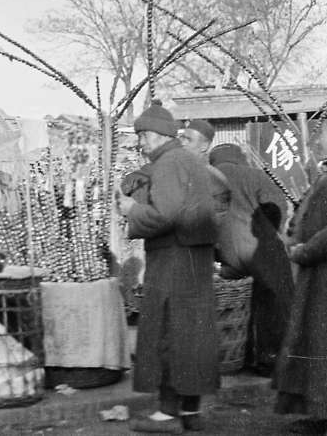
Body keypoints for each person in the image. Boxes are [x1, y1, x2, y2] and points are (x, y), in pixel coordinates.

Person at [117, 102, 219, 433]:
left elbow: (165, 215)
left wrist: (132, 209)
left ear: (159, 135)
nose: (140, 143)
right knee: (191, 335)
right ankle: (190, 411)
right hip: (194, 258)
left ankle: (167, 414)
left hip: (173, 258)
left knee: (169, 332)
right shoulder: (189, 160)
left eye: (143, 136)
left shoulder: (168, 162)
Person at [274, 115, 327, 435]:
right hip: (325, 274)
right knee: (320, 343)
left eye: (323, 136)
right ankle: (325, 412)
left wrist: (303, 251)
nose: (318, 142)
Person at [209, 143, 293, 376]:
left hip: (228, 255)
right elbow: (278, 206)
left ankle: (241, 356)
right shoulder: (255, 175)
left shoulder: (208, 179)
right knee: (275, 302)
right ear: (240, 157)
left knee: (238, 304)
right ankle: (270, 361)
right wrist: (272, 233)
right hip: (261, 250)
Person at [178, 119, 231, 228]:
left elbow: (218, 221)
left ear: (204, 146)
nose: (182, 143)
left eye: (189, 140)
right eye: (182, 138)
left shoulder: (214, 179)